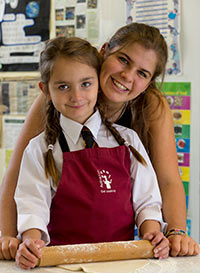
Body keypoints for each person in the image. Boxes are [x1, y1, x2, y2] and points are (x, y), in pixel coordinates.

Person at [0, 23, 199, 260]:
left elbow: (165, 182)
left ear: (148, 83)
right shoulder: (54, 104)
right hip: (59, 253)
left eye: (142, 73)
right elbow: (19, 181)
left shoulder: (144, 117)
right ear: (104, 51)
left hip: (117, 253)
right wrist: (10, 238)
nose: (127, 75)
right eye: (123, 60)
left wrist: (174, 233)